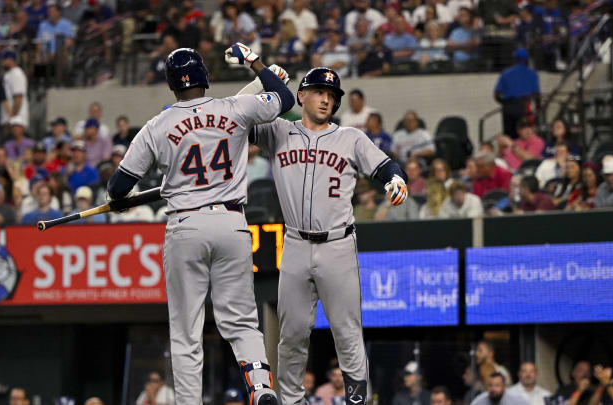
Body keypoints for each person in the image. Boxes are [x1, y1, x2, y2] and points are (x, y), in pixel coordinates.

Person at [106, 45, 294, 405]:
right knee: (241, 320)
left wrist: (118, 200)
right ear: (205, 77)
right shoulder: (234, 107)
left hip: (186, 225)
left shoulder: (156, 126)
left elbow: (118, 186)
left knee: (186, 330)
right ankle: (261, 387)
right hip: (232, 222)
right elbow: (284, 97)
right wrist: (254, 62)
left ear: (171, 84)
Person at [244, 66, 407, 405]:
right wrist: (260, 80)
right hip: (295, 245)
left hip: (337, 244)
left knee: (347, 332)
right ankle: (290, 400)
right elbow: (234, 114)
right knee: (290, 335)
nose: (326, 99)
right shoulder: (278, 131)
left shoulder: (351, 137)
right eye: (319, 92)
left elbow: (387, 167)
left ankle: (357, 400)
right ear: (301, 95)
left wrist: (396, 179)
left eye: (332, 95)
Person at [494, 49, 540, 139]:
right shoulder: (532, 74)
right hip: (524, 107)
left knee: (509, 136)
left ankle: (510, 152)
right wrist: (538, 109)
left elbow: (496, 94)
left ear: (514, 59)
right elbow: (536, 95)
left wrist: (505, 103)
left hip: (508, 108)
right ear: (527, 60)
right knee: (525, 136)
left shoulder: (505, 73)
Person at [0, 51, 29, 128]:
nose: (2, 62)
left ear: (11, 60)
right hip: (9, 118)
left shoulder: (17, 74)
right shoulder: (9, 73)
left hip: (17, 121)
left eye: (4, 60)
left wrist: (12, 118)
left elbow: (18, 98)